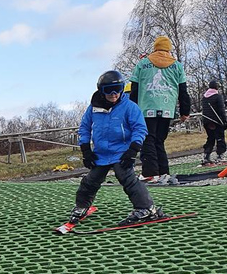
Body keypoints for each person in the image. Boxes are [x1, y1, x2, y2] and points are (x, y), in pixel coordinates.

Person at [69, 71, 166, 227]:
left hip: (122, 152)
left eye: (118, 89)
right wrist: (86, 150)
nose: (114, 94)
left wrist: (133, 149)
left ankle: (146, 208)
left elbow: (140, 128)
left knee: (128, 179)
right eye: (109, 90)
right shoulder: (93, 108)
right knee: (90, 181)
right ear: (101, 91)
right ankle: (82, 206)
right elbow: (85, 127)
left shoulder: (129, 107)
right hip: (101, 154)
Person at [129, 35, 191, 182]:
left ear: (155, 48)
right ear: (169, 49)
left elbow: (134, 89)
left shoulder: (143, 64)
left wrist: (132, 110)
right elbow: (183, 90)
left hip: (146, 107)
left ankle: (150, 173)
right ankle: (163, 171)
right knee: (159, 140)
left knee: (147, 139)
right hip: (167, 108)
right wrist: (184, 112)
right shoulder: (177, 66)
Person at [201, 79, 226, 165]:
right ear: (216, 87)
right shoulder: (217, 96)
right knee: (220, 138)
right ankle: (220, 156)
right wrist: (225, 121)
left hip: (207, 121)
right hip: (216, 121)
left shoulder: (204, 97)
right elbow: (221, 110)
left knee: (210, 138)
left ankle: (206, 156)